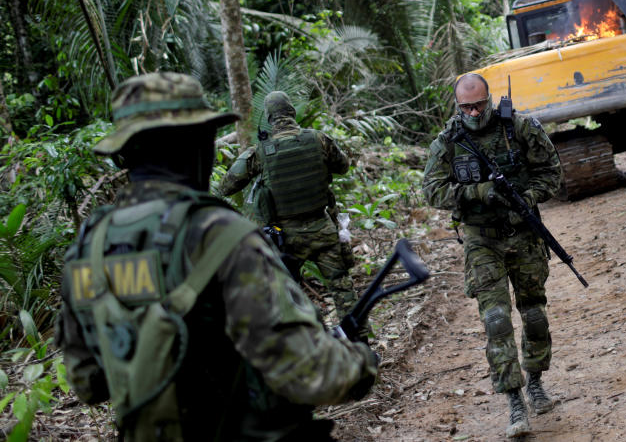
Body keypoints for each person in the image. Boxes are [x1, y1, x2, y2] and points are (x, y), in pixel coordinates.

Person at [55, 72, 377, 441]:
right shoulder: (218, 236)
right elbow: (309, 373)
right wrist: (360, 364)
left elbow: (87, 382)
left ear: (123, 156)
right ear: (200, 144)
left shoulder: (90, 245)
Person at [422, 73, 563, 438]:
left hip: (524, 234)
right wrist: (476, 193)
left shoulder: (519, 127)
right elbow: (433, 191)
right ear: (457, 106)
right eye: (465, 106)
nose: (473, 112)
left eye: (479, 104)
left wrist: (527, 199)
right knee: (496, 320)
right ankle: (514, 400)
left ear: (489, 98)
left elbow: (552, 173)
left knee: (533, 315)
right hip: (481, 240)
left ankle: (535, 382)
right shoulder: (448, 141)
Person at [219, 91, 362, 325]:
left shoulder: (260, 151)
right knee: (342, 289)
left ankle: (303, 347)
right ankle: (361, 345)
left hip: (286, 238)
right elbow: (343, 166)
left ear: (269, 117)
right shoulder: (318, 139)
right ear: (292, 112)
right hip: (323, 229)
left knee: (285, 298)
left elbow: (226, 187)